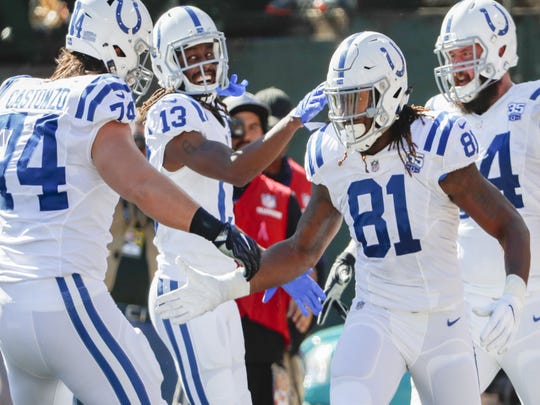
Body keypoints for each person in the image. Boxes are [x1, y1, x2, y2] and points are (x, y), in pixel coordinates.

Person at [155, 30, 531, 405]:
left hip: (444, 321)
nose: (347, 114)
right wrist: (226, 287)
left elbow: (509, 224)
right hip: (377, 315)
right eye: (340, 101)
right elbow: (302, 250)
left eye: (357, 100)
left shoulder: (435, 141)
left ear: (391, 91)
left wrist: (514, 293)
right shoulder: (333, 151)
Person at [0, 0, 264, 403]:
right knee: (144, 385)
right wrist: (217, 230)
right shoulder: (98, 95)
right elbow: (140, 184)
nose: (142, 67)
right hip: (65, 297)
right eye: (139, 52)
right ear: (116, 45)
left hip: (8, 306)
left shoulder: (14, 94)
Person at [139, 6, 326, 405]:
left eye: (208, 50)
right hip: (186, 288)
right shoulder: (171, 112)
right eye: (190, 55)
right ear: (166, 63)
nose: (204, 62)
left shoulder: (212, 113)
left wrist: (273, 269)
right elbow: (236, 170)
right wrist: (291, 122)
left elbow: (221, 224)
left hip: (220, 287)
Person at [425, 0, 540, 402]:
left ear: (501, 51)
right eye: (451, 56)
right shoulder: (436, 117)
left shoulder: (532, 105)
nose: (456, 66)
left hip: (535, 298)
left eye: (465, 54)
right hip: (466, 302)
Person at [224, 92, 308, 405]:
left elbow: (306, 256)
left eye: (255, 127)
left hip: (266, 337)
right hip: (213, 328)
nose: (245, 135)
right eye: (237, 126)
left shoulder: (284, 197)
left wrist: (306, 286)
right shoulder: (201, 191)